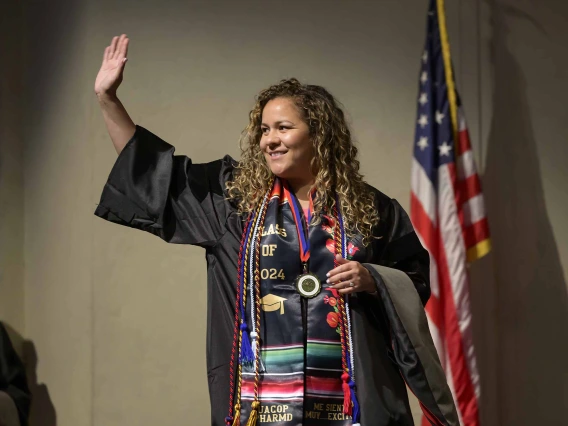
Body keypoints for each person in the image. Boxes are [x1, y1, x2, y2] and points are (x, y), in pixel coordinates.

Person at [94, 34, 459, 426]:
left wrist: (373, 279)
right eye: (264, 130)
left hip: (351, 406)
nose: (270, 140)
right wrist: (108, 100)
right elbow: (153, 176)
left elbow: (415, 280)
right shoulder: (233, 202)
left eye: (283, 127)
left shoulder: (371, 209)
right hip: (258, 410)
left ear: (318, 135)